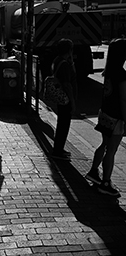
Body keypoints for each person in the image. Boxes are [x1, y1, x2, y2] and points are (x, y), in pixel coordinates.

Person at [85, 38, 126, 197]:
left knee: (104, 145)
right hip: (116, 116)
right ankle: (106, 182)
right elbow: (123, 99)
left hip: (105, 113)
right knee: (112, 150)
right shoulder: (121, 74)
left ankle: (94, 172)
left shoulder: (108, 71)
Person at [50, 38, 77, 160]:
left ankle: (59, 148)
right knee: (64, 125)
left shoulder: (57, 60)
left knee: (61, 123)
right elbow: (67, 84)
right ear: (69, 50)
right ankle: (58, 150)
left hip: (60, 98)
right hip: (65, 98)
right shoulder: (64, 64)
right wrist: (72, 101)